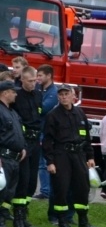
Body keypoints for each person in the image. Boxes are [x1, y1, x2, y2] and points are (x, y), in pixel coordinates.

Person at [43, 85, 99, 227]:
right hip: (62, 155)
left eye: (66, 94)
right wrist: (50, 161)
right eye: (60, 94)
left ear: (73, 95)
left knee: (82, 188)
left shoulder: (80, 113)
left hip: (79, 155)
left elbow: (86, 137)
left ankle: (83, 220)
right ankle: (62, 221)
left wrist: (90, 156)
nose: (63, 97)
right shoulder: (53, 115)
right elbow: (48, 141)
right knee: (61, 188)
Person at [11, 65, 42, 227]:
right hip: (23, 141)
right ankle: (17, 218)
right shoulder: (17, 96)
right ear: (22, 79)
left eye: (35, 80)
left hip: (36, 141)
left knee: (31, 182)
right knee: (22, 180)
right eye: (30, 81)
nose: (33, 84)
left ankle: (24, 214)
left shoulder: (38, 95)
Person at [0, 80, 25, 227]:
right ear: (4, 93)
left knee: (9, 192)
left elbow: (17, 133)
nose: (16, 94)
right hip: (4, 157)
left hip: (15, 158)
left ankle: (2, 221)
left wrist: (23, 148)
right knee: (2, 191)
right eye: (13, 91)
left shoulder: (12, 111)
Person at [33, 64, 58, 204]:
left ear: (49, 76)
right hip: (38, 129)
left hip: (45, 131)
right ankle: (45, 190)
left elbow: (42, 109)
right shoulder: (40, 89)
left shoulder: (53, 92)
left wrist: (34, 105)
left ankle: (46, 191)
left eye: (40, 75)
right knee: (40, 162)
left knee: (43, 163)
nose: (38, 78)